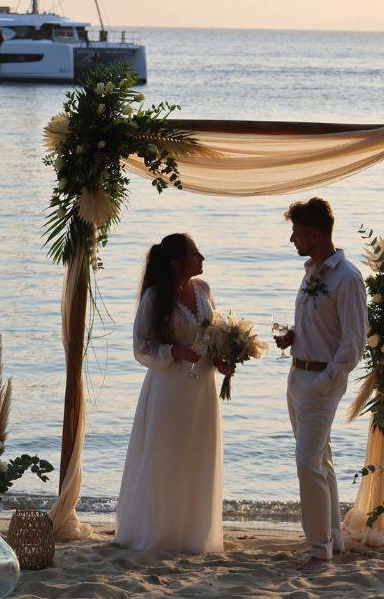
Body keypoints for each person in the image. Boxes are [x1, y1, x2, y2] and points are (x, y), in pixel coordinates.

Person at [114, 233, 232, 553]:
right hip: (169, 387)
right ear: (177, 263)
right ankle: (159, 532)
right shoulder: (155, 297)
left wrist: (220, 359)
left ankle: (193, 534)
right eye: (195, 253)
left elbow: (212, 335)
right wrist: (174, 352)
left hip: (202, 390)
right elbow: (141, 347)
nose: (202, 258)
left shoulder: (203, 290)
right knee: (166, 456)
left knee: (198, 455)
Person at [275, 198, 369, 573]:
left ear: (314, 234)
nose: (291, 238)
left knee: (307, 464)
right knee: (321, 460)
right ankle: (333, 536)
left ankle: (319, 549)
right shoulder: (310, 271)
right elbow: (322, 328)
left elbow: (353, 344)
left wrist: (325, 382)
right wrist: (294, 337)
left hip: (320, 381)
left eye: (296, 232)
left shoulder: (347, 278)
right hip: (297, 375)